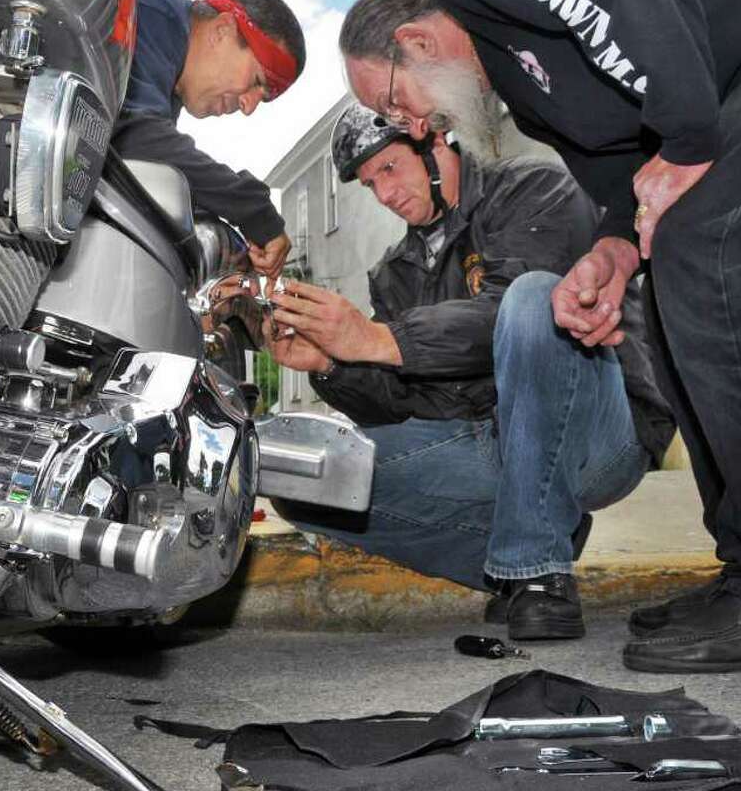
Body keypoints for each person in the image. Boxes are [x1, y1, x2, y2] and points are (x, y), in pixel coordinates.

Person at [339, 0, 741, 671]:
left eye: (392, 101)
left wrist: (684, 136)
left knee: (717, 252)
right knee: (676, 256)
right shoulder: (533, 99)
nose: (414, 126)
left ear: (416, 40)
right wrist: (614, 249)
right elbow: (626, 188)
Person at [266, 103, 673, 640]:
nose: (385, 194)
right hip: (486, 440)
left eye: (389, 168)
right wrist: (328, 363)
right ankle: (521, 542)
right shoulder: (393, 272)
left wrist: (377, 337)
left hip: (597, 435)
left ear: (435, 144)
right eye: (370, 185)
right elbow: (400, 404)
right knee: (307, 478)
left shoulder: (535, 189)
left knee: (532, 300)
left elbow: (519, 318)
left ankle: (536, 572)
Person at [113, 0, 304, 281]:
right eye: (257, 81)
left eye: (263, 100)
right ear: (223, 30)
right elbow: (133, 139)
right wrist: (252, 208)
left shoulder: (164, 75)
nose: (249, 107)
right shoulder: (149, 9)